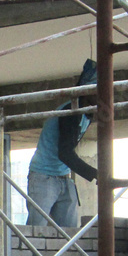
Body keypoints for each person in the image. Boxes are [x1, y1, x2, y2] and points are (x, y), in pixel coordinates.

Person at [26, 59, 98, 228]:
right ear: (86, 91)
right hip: (43, 176)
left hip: (63, 177)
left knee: (69, 234)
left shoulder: (87, 113)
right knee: (36, 231)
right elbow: (65, 153)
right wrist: (95, 173)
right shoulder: (71, 112)